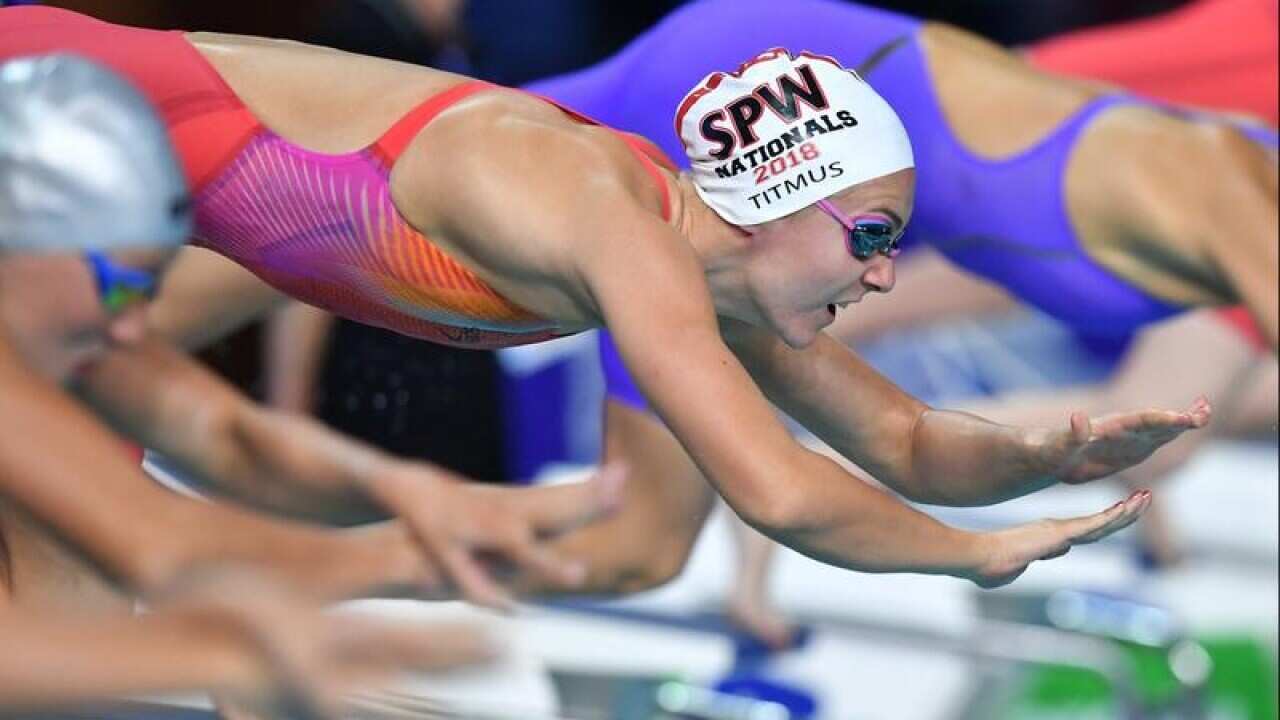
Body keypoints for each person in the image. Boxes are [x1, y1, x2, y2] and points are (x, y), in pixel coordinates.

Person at [0, 6, 1208, 595]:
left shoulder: (711, 264)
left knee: (88, 582)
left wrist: (1046, 460)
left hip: (89, 186)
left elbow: (896, 440)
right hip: (42, 97)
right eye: (875, 237)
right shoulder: (609, 222)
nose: (886, 275)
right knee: (92, 577)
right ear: (781, 201)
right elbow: (781, 492)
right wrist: (976, 559)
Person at [517, 0, 1272, 639]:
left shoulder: (1179, 198)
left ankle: (419, 556)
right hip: (789, 85)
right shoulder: (1234, 174)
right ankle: (410, 584)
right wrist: (972, 543)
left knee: (652, 536)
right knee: (644, 538)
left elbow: (1015, 263)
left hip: (870, 144)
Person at [0, 53, 497, 716]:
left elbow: (191, 491)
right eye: (122, 287)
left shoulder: (56, 347)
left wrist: (409, 519)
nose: (133, 328)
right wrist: (229, 651)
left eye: (150, 289)